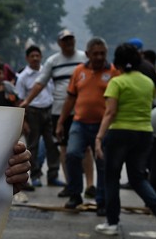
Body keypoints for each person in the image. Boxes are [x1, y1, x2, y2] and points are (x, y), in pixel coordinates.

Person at [94, 43, 156, 236]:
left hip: (120, 133)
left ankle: (112, 223)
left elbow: (110, 112)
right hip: (144, 134)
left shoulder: (117, 82)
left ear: (118, 62)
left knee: (111, 177)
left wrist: (99, 137)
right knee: (138, 178)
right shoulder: (149, 82)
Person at [55, 37, 118, 213]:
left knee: (103, 162)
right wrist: (61, 122)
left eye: (102, 54)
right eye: (95, 53)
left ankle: (101, 201)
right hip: (79, 123)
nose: (99, 57)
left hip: (102, 126)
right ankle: (75, 194)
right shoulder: (78, 71)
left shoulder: (113, 72)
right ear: (88, 54)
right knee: (73, 155)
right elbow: (70, 98)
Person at [20, 29, 87, 193]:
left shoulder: (84, 58)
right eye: (65, 40)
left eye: (71, 39)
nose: (68, 42)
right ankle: (39, 177)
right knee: (49, 146)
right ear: (59, 43)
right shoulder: (52, 62)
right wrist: (27, 103)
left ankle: (59, 177)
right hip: (52, 112)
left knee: (58, 147)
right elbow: (39, 84)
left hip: (77, 110)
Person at [15, 45, 59, 190]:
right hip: (32, 112)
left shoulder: (47, 73)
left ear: (41, 57)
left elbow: (53, 91)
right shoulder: (22, 77)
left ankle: (53, 175)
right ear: (27, 58)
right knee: (32, 146)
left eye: (37, 55)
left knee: (52, 144)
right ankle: (35, 176)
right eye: (32, 56)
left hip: (49, 109)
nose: (35, 58)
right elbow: (19, 100)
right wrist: (24, 121)